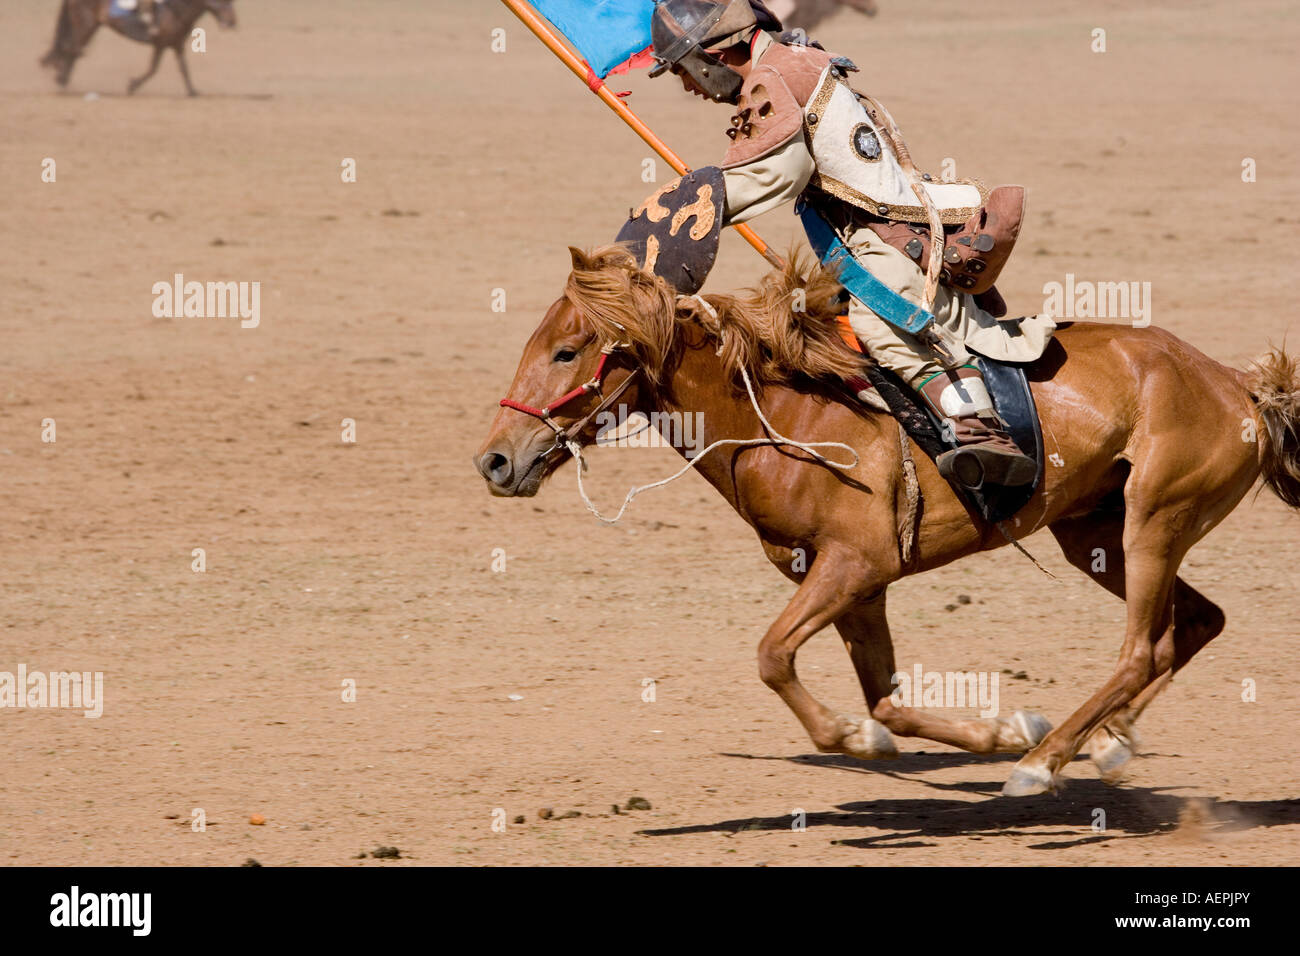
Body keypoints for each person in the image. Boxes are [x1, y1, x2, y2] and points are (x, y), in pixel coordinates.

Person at [640, 0, 1055, 489]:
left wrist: (691, 209)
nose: (689, 86)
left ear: (717, 52)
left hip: (886, 236)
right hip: (868, 232)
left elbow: (780, 172)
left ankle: (981, 431)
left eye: (686, 70)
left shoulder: (773, 76)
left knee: (875, 320)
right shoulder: (793, 59)